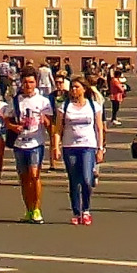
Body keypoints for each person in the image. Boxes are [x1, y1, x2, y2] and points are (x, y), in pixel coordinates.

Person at [59, 76, 103, 226]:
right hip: (69, 146)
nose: (74, 90)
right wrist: (55, 146)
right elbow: (58, 129)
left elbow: (99, 127)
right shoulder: (65, 106)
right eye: (72, 87)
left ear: (84, 89)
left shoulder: (93, 106)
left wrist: (100, 148)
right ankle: (76, 212)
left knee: (86, 178)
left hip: (88, 145)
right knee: (74, 180)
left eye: (77, 87)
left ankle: (86, 209)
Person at [12, 70, 54, 222]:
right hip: (19, 143)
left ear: (36, 83)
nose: (28, 85)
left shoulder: (43, 101)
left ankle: (36, 208)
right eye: (25, 82)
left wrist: (45, 121)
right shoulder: (16, 100)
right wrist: (12, 127)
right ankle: (28, 209)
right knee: (23, 178)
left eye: (31, 82)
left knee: (34, 175)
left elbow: (51, 124)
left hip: (36, 143)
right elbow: (6, 119)